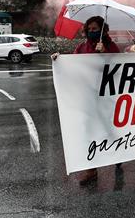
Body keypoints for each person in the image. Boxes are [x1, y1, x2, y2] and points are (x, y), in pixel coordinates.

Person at [51, 16, 120, 185]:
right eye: (89, 29)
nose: (91, 32)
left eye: (95, 29)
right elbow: (73, 64)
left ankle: (119, 154)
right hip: (87, 97)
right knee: (88, 131)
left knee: (109, 129)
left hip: (106, 97)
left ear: (103, 30)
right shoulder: (82, 47)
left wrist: (106, 53)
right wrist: (59, 60)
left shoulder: (111, 47)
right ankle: (91, 170)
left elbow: (121, 66)